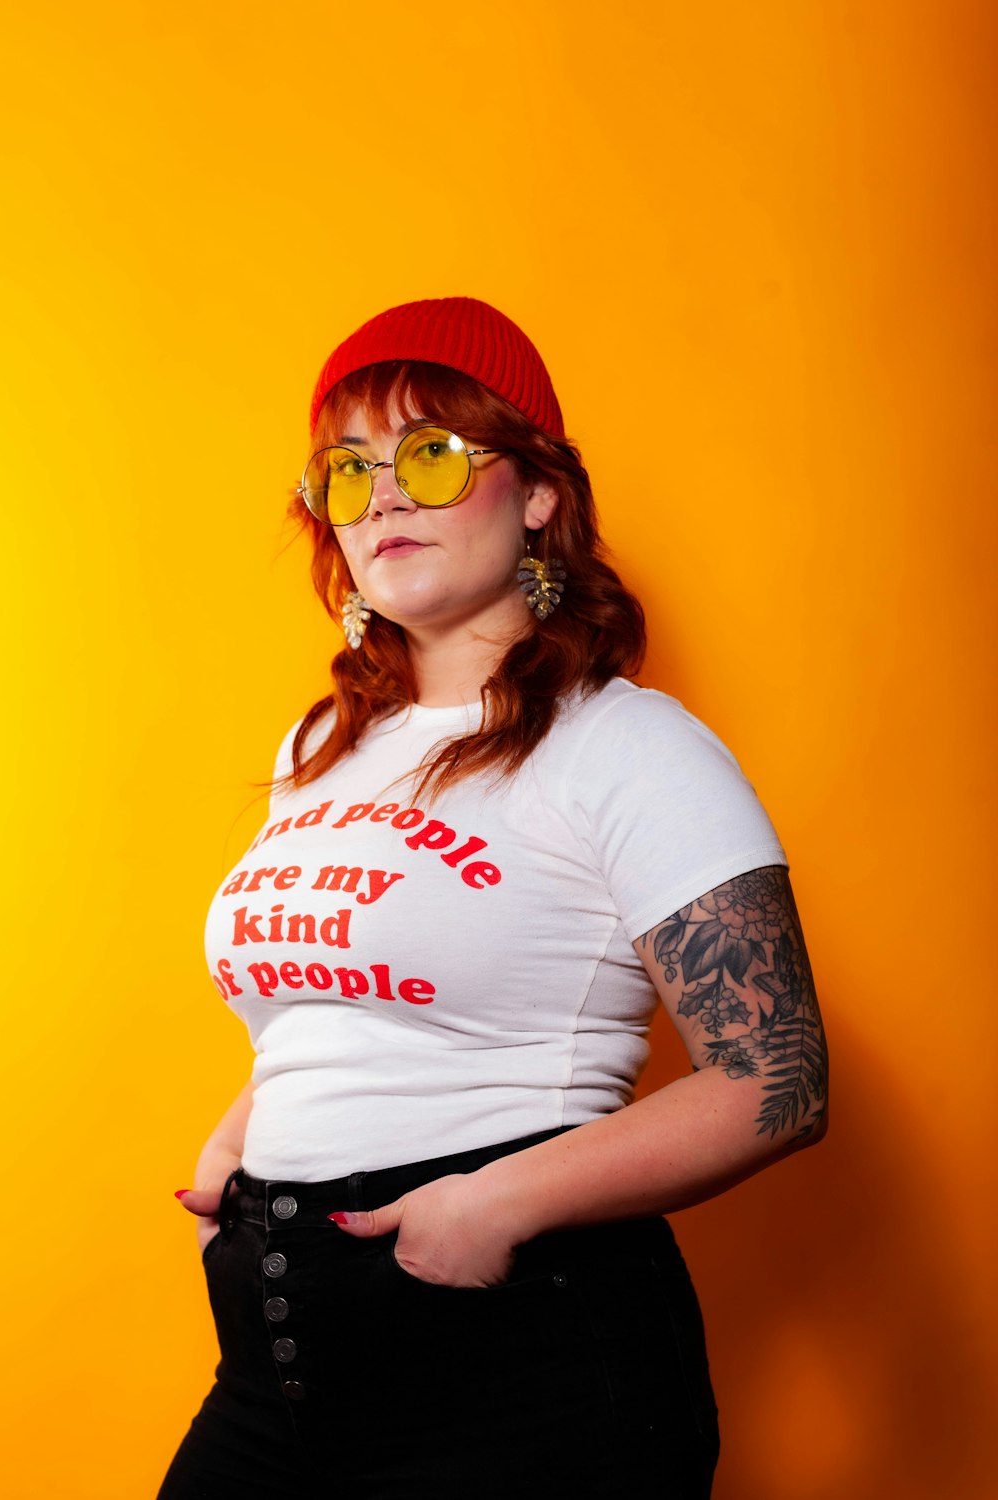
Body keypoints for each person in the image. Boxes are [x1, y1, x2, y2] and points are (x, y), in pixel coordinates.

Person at [159, 296, 828, 1499]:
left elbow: (775, 1080)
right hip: (277, 1358)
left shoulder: (631, 746)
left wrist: (496, 1207)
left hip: (523, 1362)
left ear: (537, 494)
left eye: (429, 452)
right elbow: (344, 1001)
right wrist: (236, 1142)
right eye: (348, 472)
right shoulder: (322, 743)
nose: (389, 497)